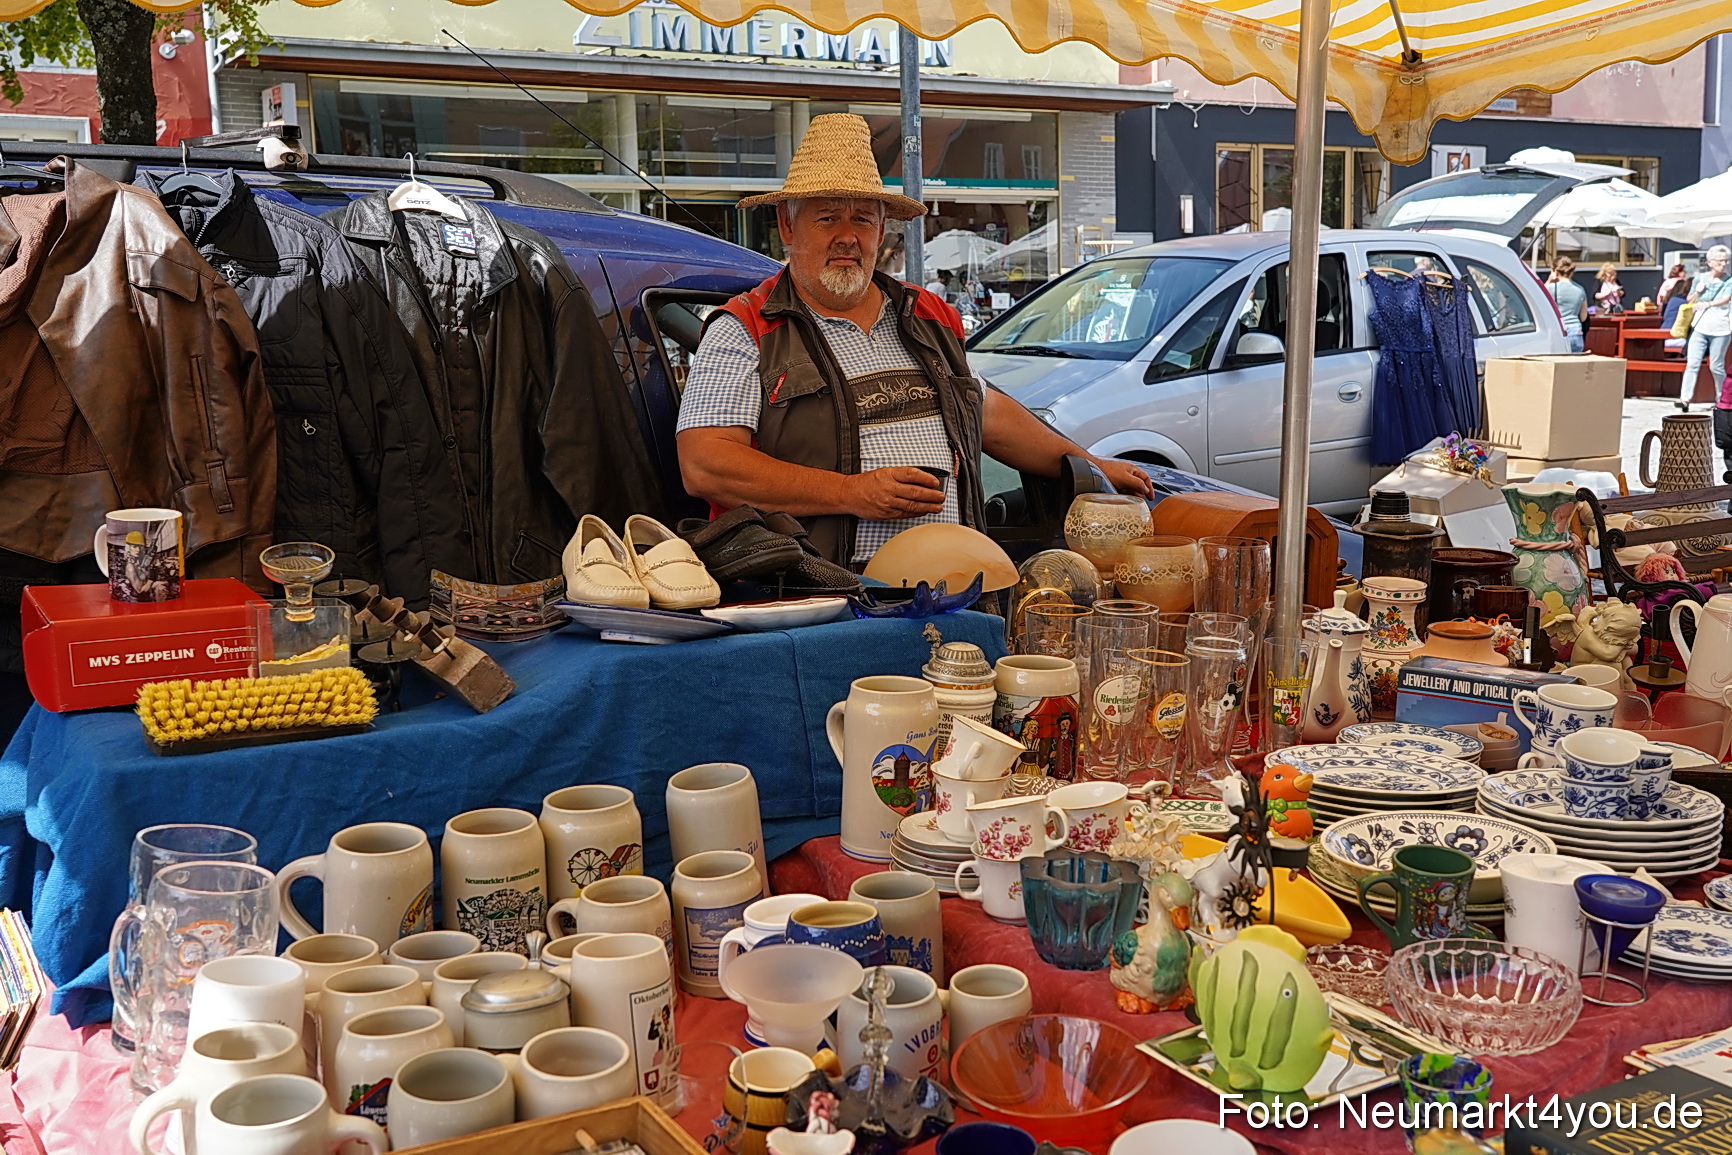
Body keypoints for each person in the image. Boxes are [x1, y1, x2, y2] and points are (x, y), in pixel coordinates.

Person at [675, 113, 1153, 569]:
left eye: (863, 219)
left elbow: (986, 413)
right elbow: (706, 464)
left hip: (959, 583)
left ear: (882, 229)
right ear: (787, 225)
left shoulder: (927, 315)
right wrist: (850, 492)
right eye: (827, 219)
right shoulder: (745, 329)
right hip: (822, 598)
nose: (847, 237)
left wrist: (1089, 465)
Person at [1547, 256, 1588, 353]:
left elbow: (1538, 299)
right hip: (1576, 331)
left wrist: (1549, 281)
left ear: (1555, 271)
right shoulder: (1580, 289)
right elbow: (1583, 317)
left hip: (1559, 331)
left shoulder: (1551, 288)